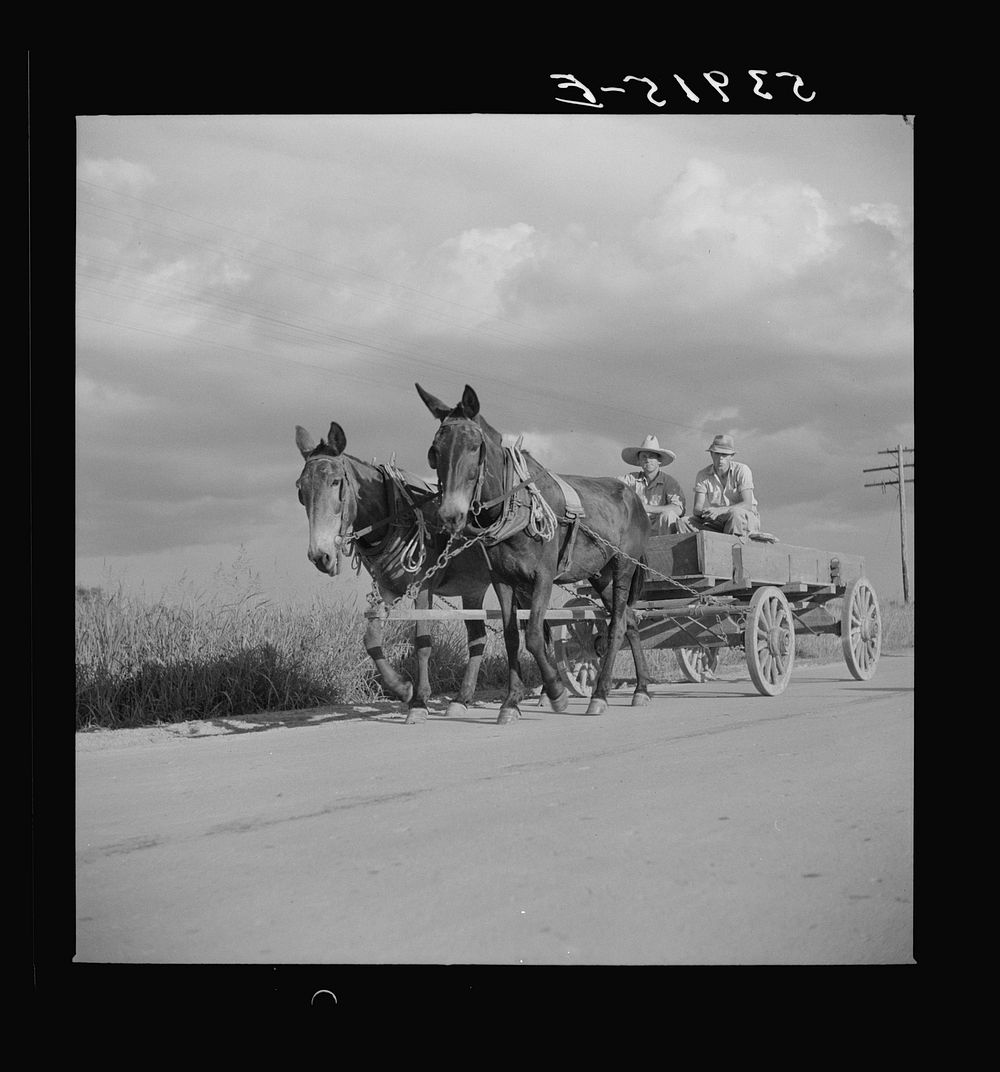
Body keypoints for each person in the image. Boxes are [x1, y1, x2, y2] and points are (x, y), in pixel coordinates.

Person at [687, 434, 761, 536]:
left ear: (731, 456)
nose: (720, 458)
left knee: (735, 513)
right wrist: (706, 512)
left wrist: (720, 510)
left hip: (745, 518)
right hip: (718, 520)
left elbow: (747, 504)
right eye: (717, 454)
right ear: (711, 454)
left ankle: (733, 548)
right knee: (685, 522)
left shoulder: (742, 470)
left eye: (724, 455)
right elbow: (697, 508)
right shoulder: (702, 475)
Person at [618, 434, 686, 533]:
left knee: (668, 515)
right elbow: (612, 484)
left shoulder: (669, 482)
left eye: (651, 457)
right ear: (639, 461)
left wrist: (647, 508)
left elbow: (678, 509)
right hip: (637, 528)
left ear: (659, 461)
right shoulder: (631, 479)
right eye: (644, 457)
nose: (647, 460)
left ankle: (667, 546)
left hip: (661, 528)